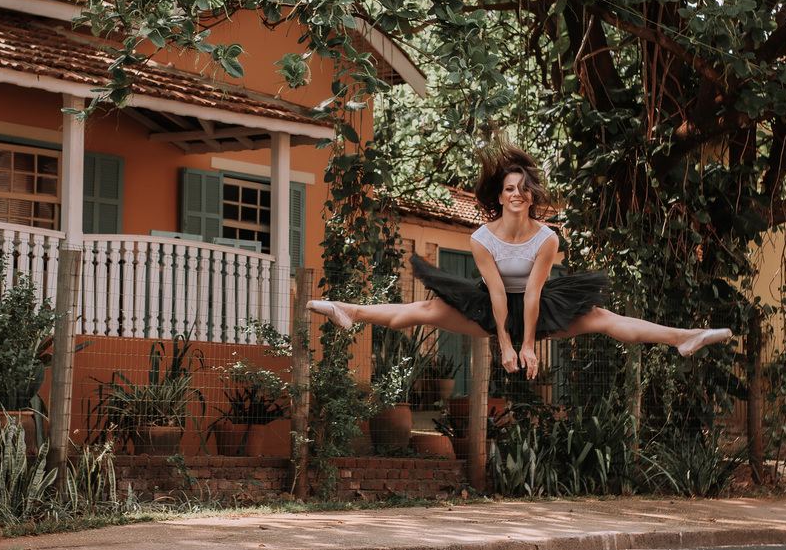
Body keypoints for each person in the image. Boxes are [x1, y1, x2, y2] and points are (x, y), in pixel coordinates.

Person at [309, 139, 732, 378]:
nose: (516, 194)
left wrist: (529, 345)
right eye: (509, 188)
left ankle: (683, 336)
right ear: (500, 196)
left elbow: (532, 292)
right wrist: (506, 347)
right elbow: (496, 291)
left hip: (539, 307)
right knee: (424, 308)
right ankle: (349, 310)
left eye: (523, 188)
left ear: (531, 195)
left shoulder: (547, 238)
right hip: (487, 306)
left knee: (603, 318)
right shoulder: (481, 238)